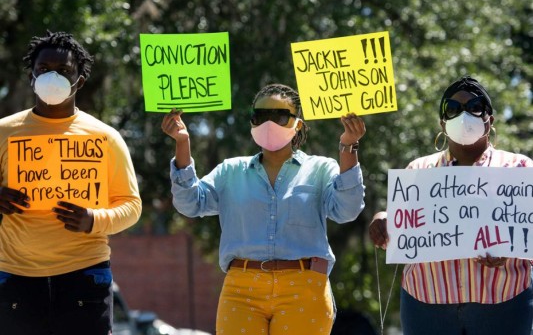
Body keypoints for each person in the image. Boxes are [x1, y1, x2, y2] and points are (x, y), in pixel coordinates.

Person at [162, 83, 366, 334]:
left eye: (279, 116)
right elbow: (190, 203)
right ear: (252, 122)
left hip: (305, 288)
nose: (269, 124)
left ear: (297, 125)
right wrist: (182, 143)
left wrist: (348, 146)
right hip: (241, 289)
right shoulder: (230, 171)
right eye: (260, 116)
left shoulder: (321, 169)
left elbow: (348, 209)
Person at [0, 31, 142, 335]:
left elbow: (131, 205)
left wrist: (94, 219)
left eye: (64, 71)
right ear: (31, 76)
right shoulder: (4, 132)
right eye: (44, 69)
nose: (53, 77)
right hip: (14, 278)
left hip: (85, 277)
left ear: (81, 79)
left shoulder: (105, 137)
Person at [369, 75, 533, 335]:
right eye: (453, 109)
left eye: (474, 107)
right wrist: (382, 219)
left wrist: (512, 251)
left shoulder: (520, 168)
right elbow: (405, 222)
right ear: (442, 123)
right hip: (426, 303)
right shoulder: (418, 169)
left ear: (489, 120)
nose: (464, 115)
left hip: (503, 303)